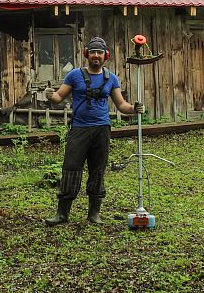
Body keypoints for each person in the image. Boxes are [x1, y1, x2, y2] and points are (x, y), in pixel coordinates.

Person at [44, 36, 144, 225]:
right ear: (86, 54)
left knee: (98, 170)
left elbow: (121, 105)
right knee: (71, 169)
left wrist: (135, 108)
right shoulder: (74, 75)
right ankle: (62, 214)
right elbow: (58, 97)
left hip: (101, 130)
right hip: (79, 129)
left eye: (99, 52)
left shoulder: (111, 78)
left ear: (105, 56)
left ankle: (94, 213)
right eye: (92, 52)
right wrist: (50, 95)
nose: (96, 56)